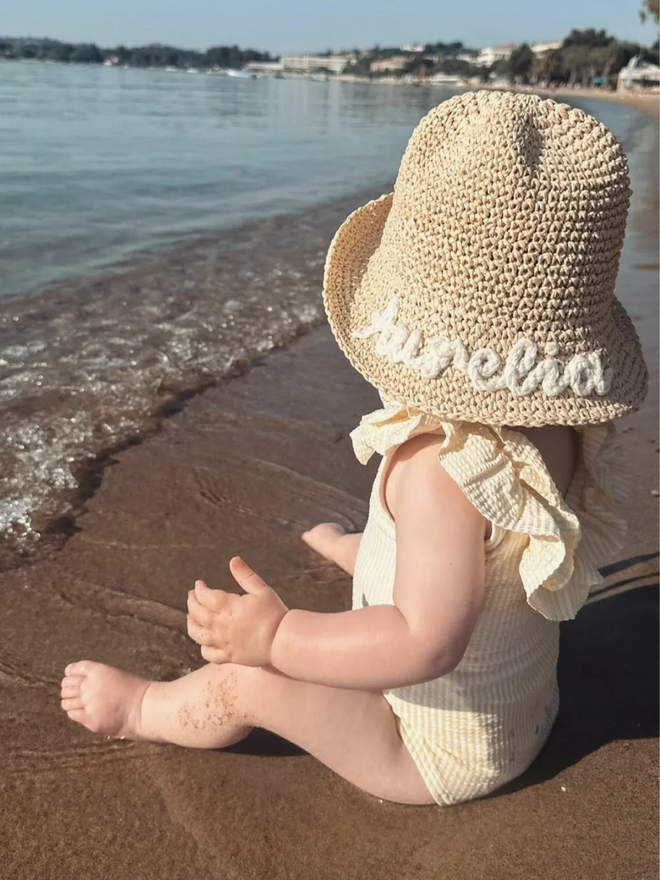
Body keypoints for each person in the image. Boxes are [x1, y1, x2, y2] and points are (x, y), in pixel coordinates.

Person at [60, 91, 648, 806]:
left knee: (247, 683)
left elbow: (426, 644)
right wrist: (361, 548)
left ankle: (143, 710)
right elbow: (473, 557)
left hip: (428, 752)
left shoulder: (439, 472)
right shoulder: (549, 429)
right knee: (425, 571)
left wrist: (277, 638)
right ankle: (359, 558)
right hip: (526, 713)